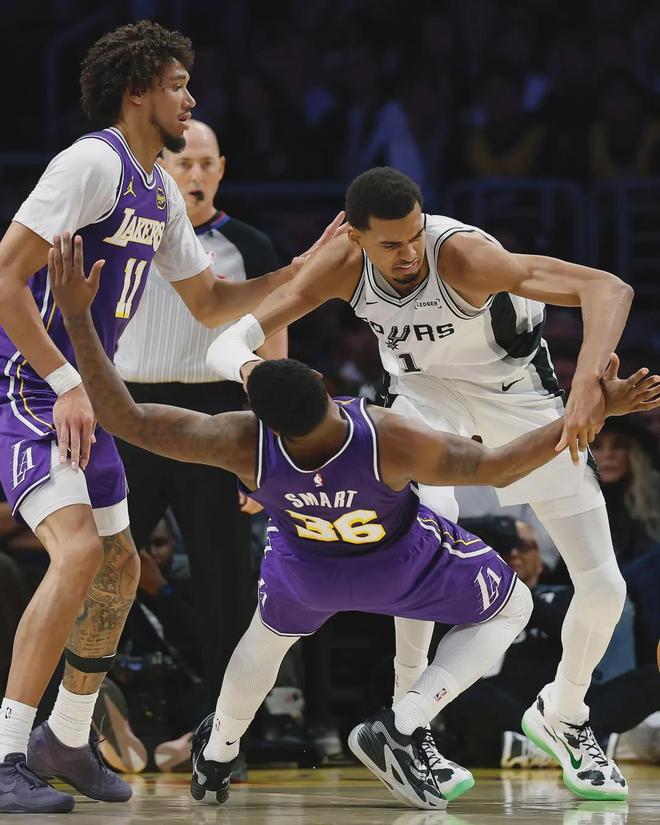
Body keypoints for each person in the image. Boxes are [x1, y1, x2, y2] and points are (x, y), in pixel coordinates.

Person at [48, 235, 659, 809]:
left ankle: (218, 752)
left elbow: (124, 416)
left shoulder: (239, 441)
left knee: (263, 640)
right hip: (394, 568)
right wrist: (592, 411)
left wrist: (77, 319)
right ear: (322, 384)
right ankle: (406, 722)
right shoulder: (384, 433)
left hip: (307, 572)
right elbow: (500, 464)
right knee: (511, 606)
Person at [210, 166, 641, 800]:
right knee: (420, 548)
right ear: (355, 238)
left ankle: (565, 713)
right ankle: (410, 723)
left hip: (516, 396)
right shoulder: (341, 267)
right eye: (390, 244)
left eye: (414, 236)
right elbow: (227, 344)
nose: (409, 253)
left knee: (604, 588)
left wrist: (585, 389)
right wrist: (264, 387)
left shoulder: (463, 256)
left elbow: (608, 287)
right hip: (421, 401)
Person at [0, 20, 341, 814]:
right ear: (137, 91)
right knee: (79, 553)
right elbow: (5, 278)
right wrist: (65, 379)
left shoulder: (155, 188)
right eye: (179, 84)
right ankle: (8, 751)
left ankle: (67, 738)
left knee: (121, 567)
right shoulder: (91, 163)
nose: (191, 98)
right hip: (30, 389)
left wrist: (302, 272)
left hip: (88, 396)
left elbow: (212, 301)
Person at [114, 119, 287, 707]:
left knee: (226, 581)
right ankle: (71, 717)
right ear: (160, 166)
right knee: (100, 566)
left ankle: (226, 728)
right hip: (129, 410)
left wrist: (268, 454)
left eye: (206, 163)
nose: (195, 174)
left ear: (221, 170)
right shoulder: (123, 232)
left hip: (218, 416)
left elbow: (275, 357)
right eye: (183, 162)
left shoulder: (251, 247)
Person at [441, 517, 660, 770]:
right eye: (505, 546)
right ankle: (571, 747)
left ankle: (539, 747)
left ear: (541, 560)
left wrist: (514, 595)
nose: (514, 553)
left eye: (524, 546)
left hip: (567, 703)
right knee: (458, 690)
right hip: (505, 701)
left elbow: (574, 633)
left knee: (652, 678)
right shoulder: (476, 601)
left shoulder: (566, 596)